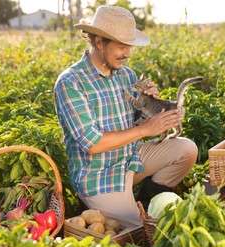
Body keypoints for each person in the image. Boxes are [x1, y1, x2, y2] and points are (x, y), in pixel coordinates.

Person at [53, 5, 198, 223]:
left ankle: (147, 203)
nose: (128, 54)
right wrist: (145, 129)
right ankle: (106, 205)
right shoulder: (71, 82)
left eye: (129, 46)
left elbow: (136, 122)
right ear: (99, 41)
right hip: (98, 176)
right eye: (122, 46)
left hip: (130, 159)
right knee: (138, 233)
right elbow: (93, 144)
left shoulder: (126, 76)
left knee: (187, 149)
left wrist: (151, 105)